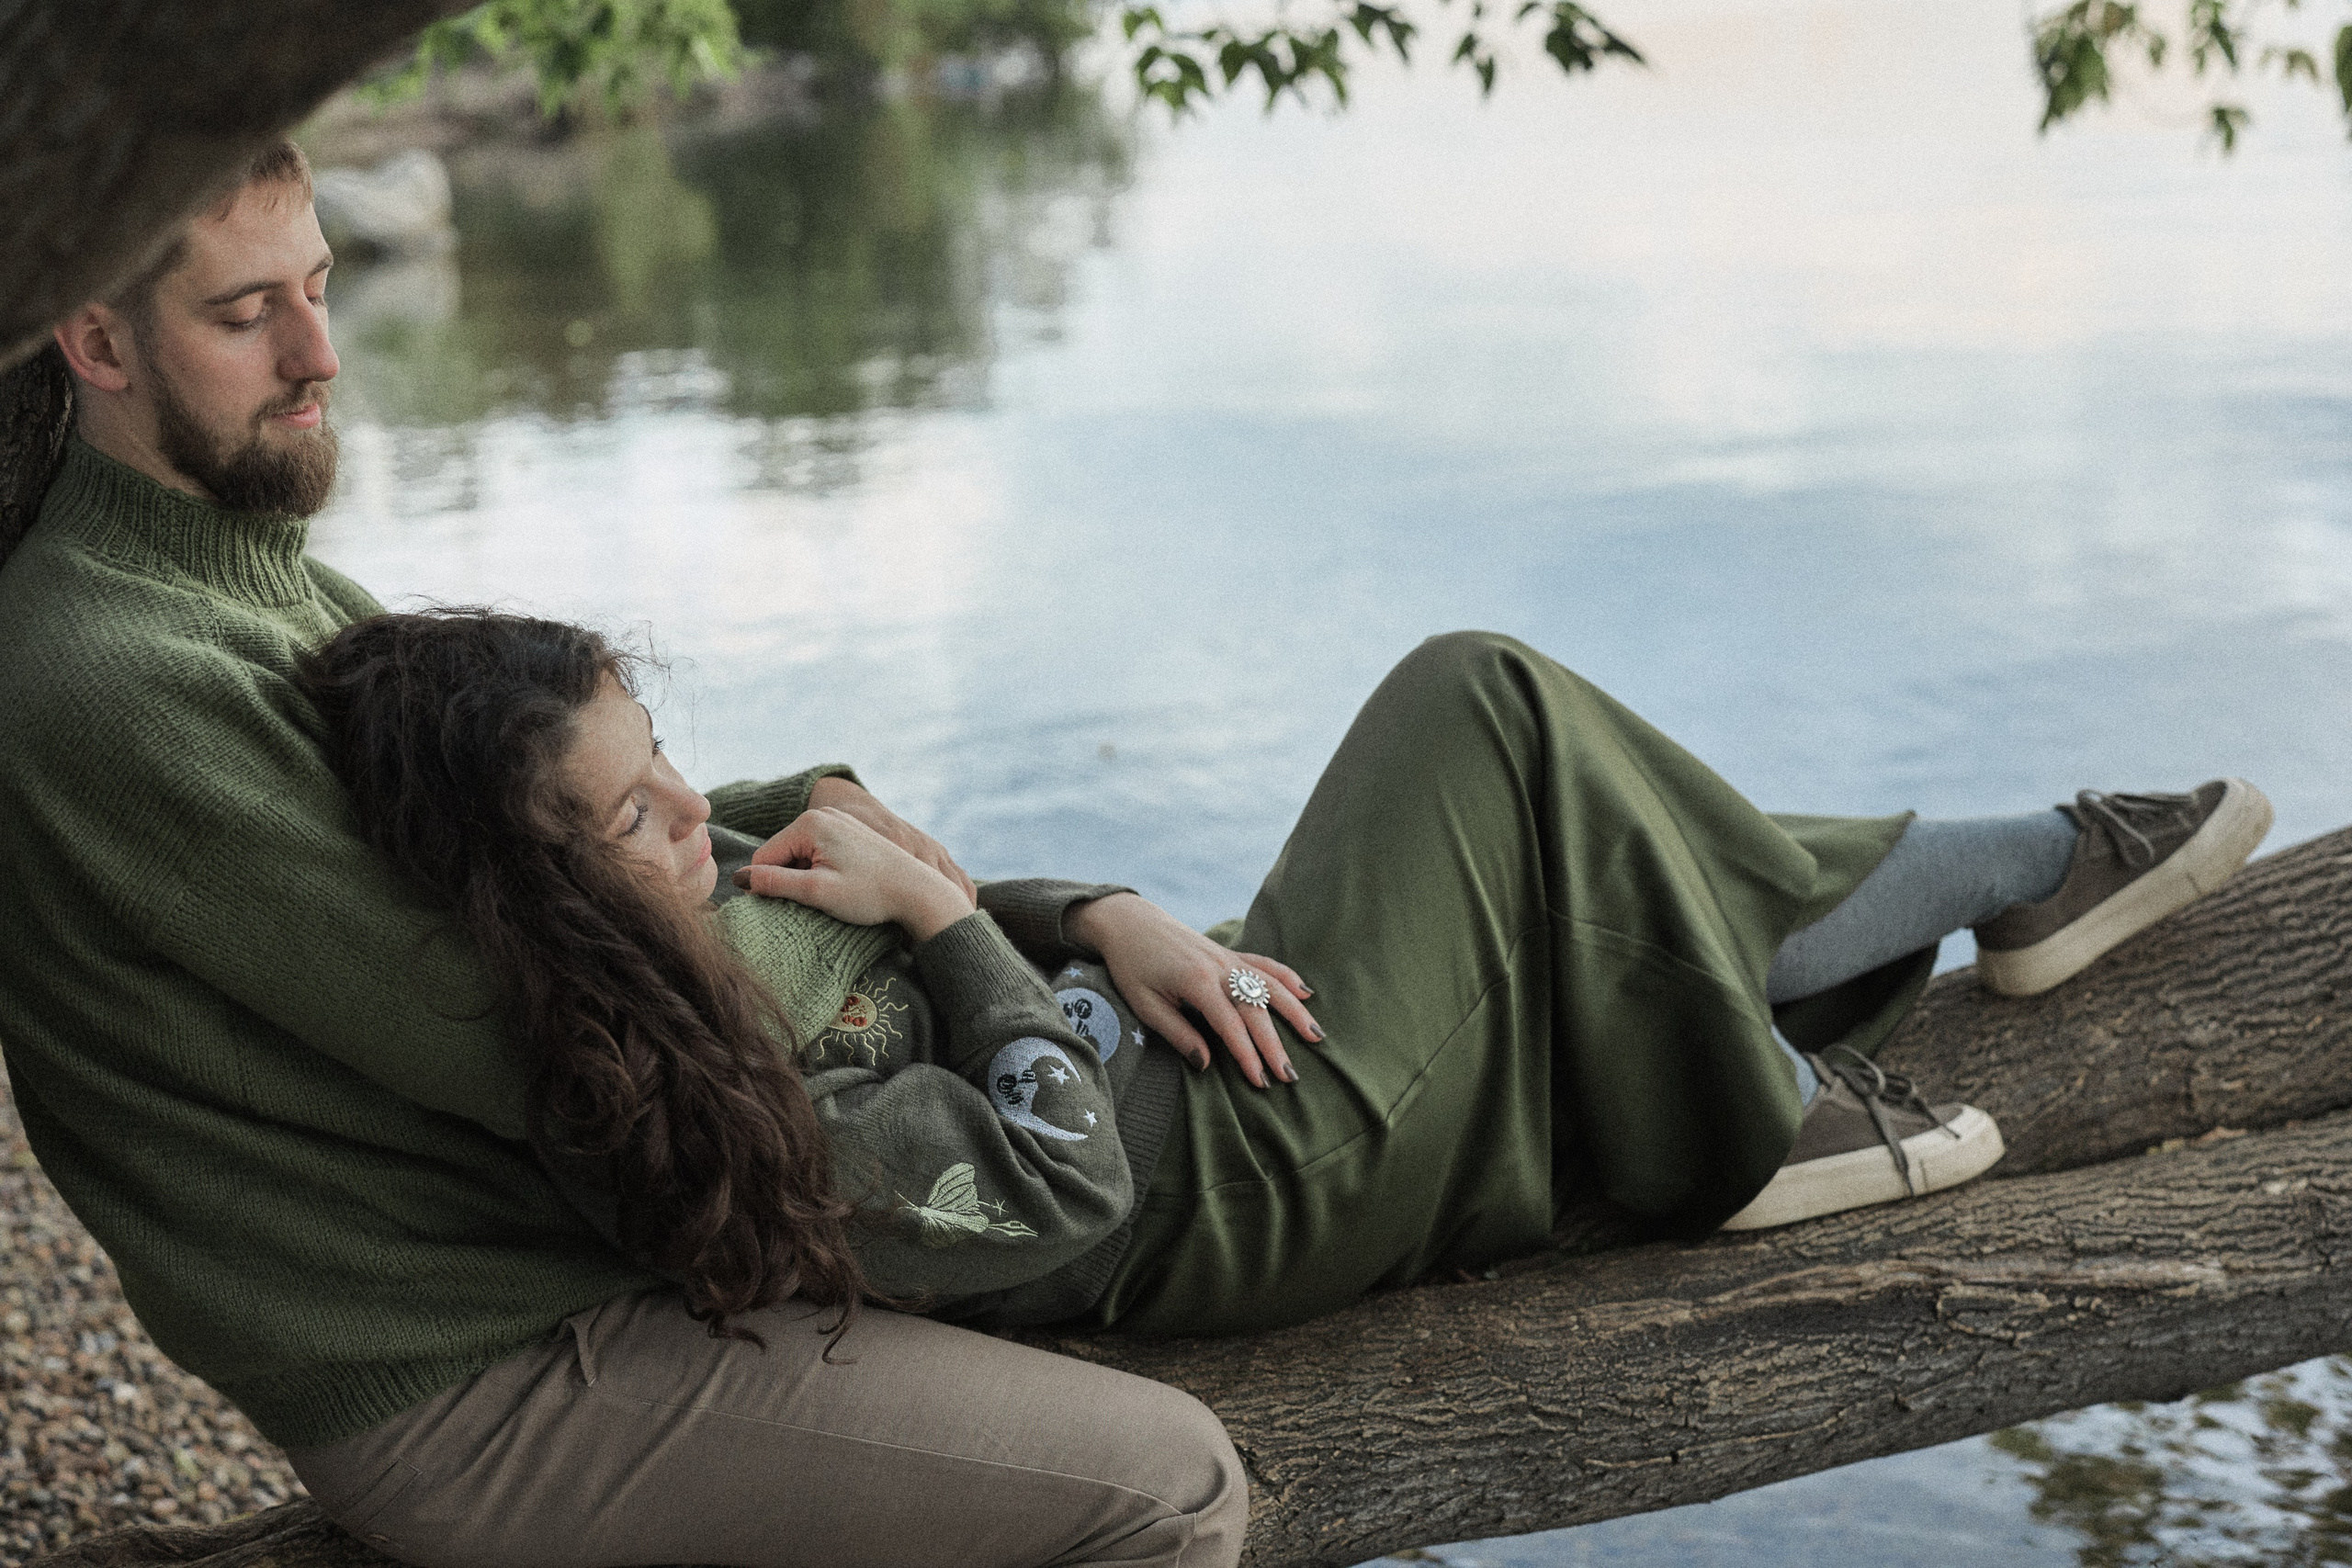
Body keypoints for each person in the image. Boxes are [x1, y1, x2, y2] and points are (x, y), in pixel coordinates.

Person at [0, 138, 2273, 1568]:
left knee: (1489, 766)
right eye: (247, 310)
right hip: (514, 1348)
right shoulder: (104, 677)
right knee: (1480, 738)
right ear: (91, 335)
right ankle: (1889, 969)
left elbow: (611, 843)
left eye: (319, 282)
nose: (324, 348)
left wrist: (1050, 902)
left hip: (833, 1159)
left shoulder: (216, 555)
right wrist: (952, 922)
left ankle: (1878, 979)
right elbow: (559, 976)